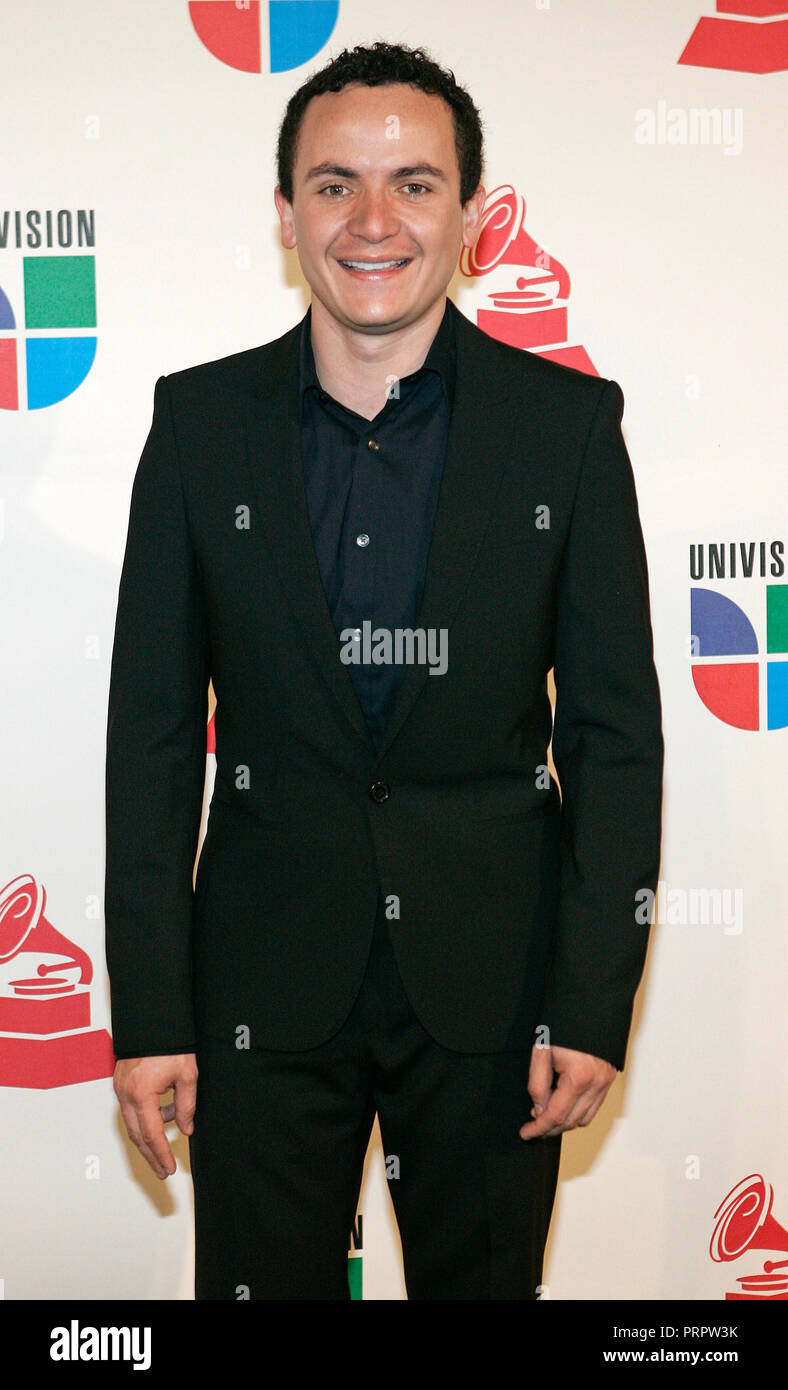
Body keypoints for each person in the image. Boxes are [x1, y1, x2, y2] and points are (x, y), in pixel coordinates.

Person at [105, 41, 663, 1300]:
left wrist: (588, 1001)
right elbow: (148, 741)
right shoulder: (199, 427)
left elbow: (616, 738)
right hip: (258, 990)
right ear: (285, 212)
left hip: (494, 996)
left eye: (413, 184)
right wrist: (151, 1017)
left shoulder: (567, 430)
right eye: (332, 184)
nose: (372, 220)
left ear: (467, 215)